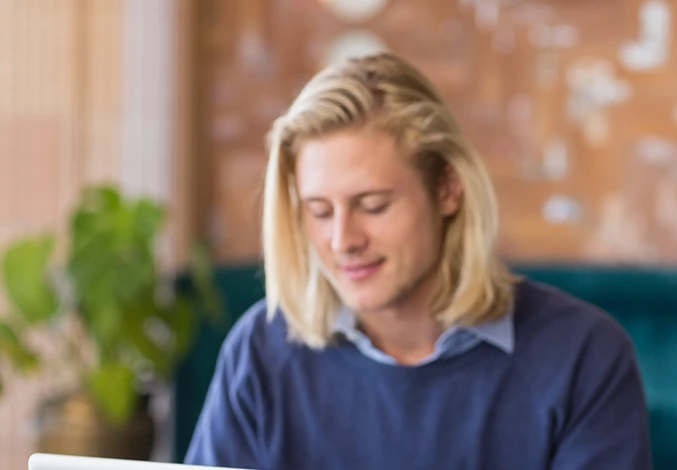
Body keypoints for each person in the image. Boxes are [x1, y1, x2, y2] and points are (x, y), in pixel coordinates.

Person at [184, 53, 651, 470]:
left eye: (373, 205)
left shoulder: (583, 355)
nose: (343, 240)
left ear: (447, 189)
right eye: (320, 211)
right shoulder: (260, 352)